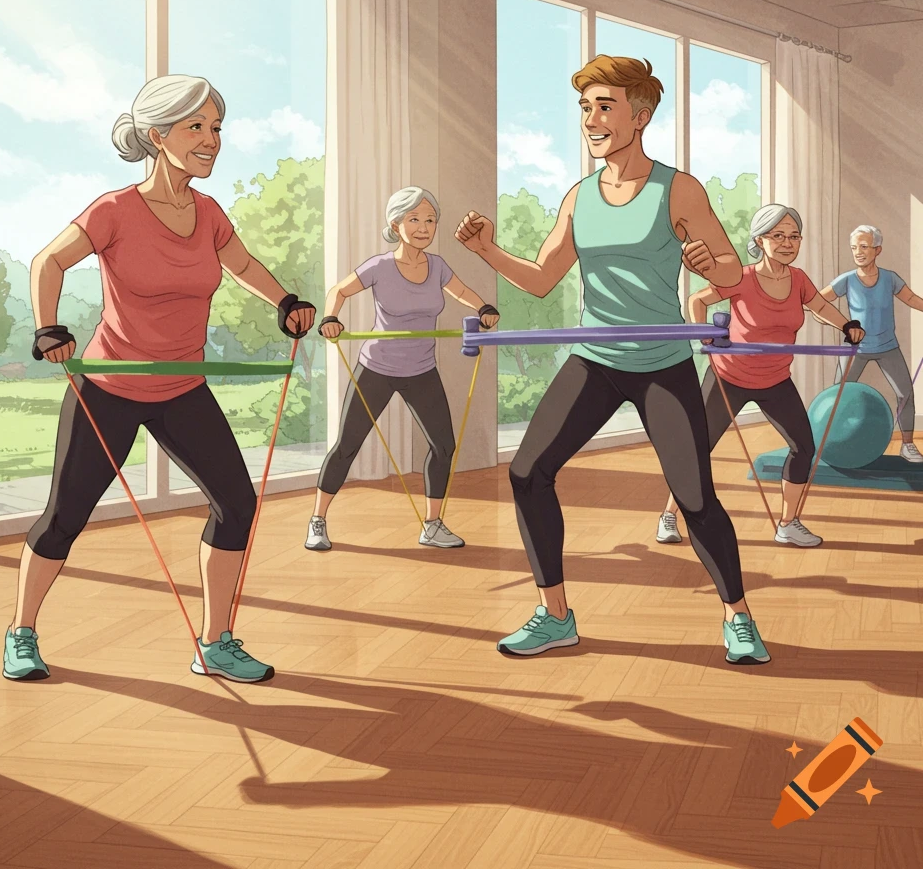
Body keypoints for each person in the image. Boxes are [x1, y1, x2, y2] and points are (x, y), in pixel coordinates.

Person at [456, 54, 770, 665]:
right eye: (585, 109)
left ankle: (738, 617)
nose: (591, 120)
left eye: (605, 107)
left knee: (695, 496)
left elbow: (732, 269)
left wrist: (713, 266)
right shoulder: (579, 197)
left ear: (641, 115)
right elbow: (545, 279)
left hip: (662, 362)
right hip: (595, 359)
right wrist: (487, 249)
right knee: (527, 474)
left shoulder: (676, 188)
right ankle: (555, 615)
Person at [2, 74, 316, 686]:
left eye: (217, 128)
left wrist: (285, 301)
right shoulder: (115, 210)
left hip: (182, 389)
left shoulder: (208, 213)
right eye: (195, 127)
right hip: (110, 388)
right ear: (157, 135)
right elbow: (48, 261)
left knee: (237, 504)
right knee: (65, 516)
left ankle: (216, 642)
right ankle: (22, 631)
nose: (211, 140)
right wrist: (48, 329)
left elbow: (243, 263)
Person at [656, 204, 864, 549]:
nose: (788, 243)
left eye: (794, 236)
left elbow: (820, 307)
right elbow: (698, 299)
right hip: (729, 377)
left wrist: (847, 325)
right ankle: (669, 515)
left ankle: (788, 523)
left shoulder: (798, 279)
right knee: (697, 448)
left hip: (775, 379)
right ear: (760, 240)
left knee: (804, 447)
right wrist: (706, 335)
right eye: (778, 235)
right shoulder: (742, 277)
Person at [310, 187, 499, 552]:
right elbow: (339, 290)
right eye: (414, 219)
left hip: (421, 368)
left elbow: (462, 292)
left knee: (444, 446)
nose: (424, 227)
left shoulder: (438, 266)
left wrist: (484, 308)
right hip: (377, 367)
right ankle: (318, 520)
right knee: (347, 446)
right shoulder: (380, 266)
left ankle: (432, 525)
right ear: (396, 224)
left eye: (430, 220)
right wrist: (332, 317)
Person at [818, 225, 923, 463]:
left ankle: (907, 445)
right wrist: (837, 323)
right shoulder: (846, 280)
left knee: (905, 394)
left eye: (864, 247)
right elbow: (816, 303)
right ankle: (832, 443)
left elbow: (912, 299)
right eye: (854, 247)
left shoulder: (890, 279)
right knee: (838, 397)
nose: (858, 252)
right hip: (855, 349)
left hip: (888, 346)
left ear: (878, 250)